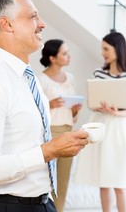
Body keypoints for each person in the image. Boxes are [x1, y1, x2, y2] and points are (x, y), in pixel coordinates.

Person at [0, 0, 89, 212]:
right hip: (6, 207)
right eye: (33, 16)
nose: (42, 24)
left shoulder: (29, 79)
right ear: (6, 24)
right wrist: (48, 151)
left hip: (43, 202)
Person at [74, 32, 126, 212]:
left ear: (118, 49)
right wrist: (100, 107)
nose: (103, 53)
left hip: (118, 129)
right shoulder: (99, 73)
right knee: (103, 182)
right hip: (100, 126)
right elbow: (92, 103)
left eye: (106, 49)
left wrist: (116, 112)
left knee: (119, 182)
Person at [39, 39, 83, 212]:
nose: (68, 56)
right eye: (64, 53)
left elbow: (73, 116)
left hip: (68, 131)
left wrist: (74, 110)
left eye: (68, 52)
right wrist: (50, 104)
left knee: (63, 180)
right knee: (45, 179)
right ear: (52, 58)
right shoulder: (41, 79)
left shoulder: (70, 78)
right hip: (49, 133)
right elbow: (34, 111)